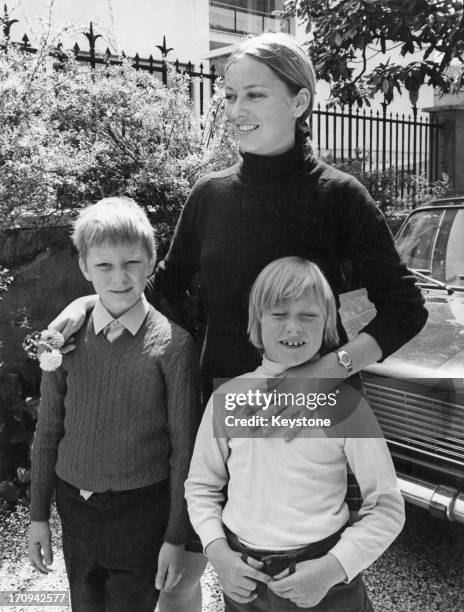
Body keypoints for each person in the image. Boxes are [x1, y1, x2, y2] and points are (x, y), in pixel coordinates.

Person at [50, 33, 427, 611]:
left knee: (315, 574)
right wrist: (85, 307)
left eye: (253, 94)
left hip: (313, 414)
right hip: (220, 407)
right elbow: (162, 295)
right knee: (181, 578)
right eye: (228, 96)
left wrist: (327, 370)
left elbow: (406, 306)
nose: (234, 110)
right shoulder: (211, 195)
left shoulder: (340, 197)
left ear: (300, 102)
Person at [185, 256, 405, 611]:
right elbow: (201, 487)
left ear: (327, 324)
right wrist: (220, 556)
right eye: (278, 314)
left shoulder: (345, 404)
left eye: (308, 315)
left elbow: (387, 506)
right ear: (256, 322)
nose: (293, 327)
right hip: (245, 582)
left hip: (327, 583)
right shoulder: (228, 400)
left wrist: (333, 568)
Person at [28, 198, 200, 612]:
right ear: (85, 267)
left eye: (132, 263)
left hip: (143, 510)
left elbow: (183, 449)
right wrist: (38, 517)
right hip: (76, 508)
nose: (119, 277)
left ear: (151, 261)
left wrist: (176, 536)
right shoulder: (62, 340)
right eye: (104, 266)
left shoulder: (174, 346)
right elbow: (48, 430)